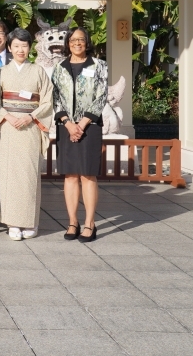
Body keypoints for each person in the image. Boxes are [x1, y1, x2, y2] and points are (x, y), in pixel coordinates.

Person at [0, 27, 54, 241]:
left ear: (30, 48)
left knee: (29, 175)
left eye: (24, 45)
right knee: (7, 176)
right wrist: (7, 116)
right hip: (7, 129)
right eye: (16, 46)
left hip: (29, 127)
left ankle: (30, 221)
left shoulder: (38, 71)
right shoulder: (0, 72)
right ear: (9, 48)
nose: (20, 50)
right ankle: (11, 222)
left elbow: (47, 100)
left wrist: (31, 117)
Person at [52, 27, 107, 244]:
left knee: (87, 175)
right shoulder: (59, 68)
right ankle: (73, 221)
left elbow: (101, 96)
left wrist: (82, 124)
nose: (77, 43)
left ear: (87, 42)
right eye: (73, 40)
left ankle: (89, 223)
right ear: (68, 43)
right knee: (70, 175)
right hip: (66, 127)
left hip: (90, 127)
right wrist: (68, 123)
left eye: (81, 40)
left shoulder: (99, 65)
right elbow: (54, 97)